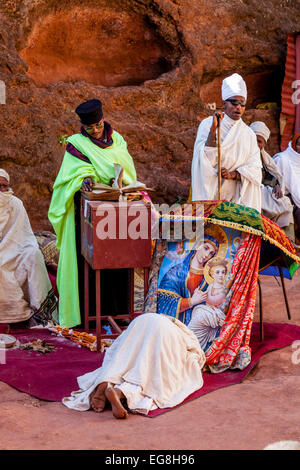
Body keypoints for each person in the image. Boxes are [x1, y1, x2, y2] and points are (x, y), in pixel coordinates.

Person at [48, 99, 137, 328]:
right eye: (90, 128)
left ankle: (119, 313)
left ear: (103, 119)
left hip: (117, 211)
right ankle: (90, 316)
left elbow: (127, 170)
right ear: (83, 127)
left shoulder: (118, 139)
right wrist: (84, 179)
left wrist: (118, 180)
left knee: (118, 259)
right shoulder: (76, 143)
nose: (96, 131)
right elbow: (68, 177)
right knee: (91, 262)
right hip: (87, 214)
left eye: (98, 125)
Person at [62, 312, 206, 418]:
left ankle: (106, 381)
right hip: (164, 332)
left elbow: (117, 346)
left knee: (123, 359)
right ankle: (121, 393)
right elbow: (194, 357)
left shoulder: (166, 319)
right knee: (150, 374)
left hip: (142, 321)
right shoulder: (188, 338)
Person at [191, 73, 262, 211]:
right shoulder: (207, 124)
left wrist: (234, 174)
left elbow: (255, 168)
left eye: (242, 104)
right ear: (224, 103)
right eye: (234, 103)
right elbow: (202, 158)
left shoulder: (248, 134)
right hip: (212, 196)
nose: (238, 108)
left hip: (236, 199)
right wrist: (213, 131)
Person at [0, 169, 57, 325]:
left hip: (14, 253)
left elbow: (24, 236)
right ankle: (14, 315)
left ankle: (40, 314)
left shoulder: (16, 204)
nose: (2, 190)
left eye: (4, 186)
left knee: (34, 254)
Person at [157, 225, 227, 325]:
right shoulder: (177, 271)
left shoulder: (210, 278)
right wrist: (191, 301)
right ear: (198, 246)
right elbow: (164, 301)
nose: (207, 255)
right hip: (178, 326)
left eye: (211, 253)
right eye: (205, 248)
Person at [249, 121, 294, 239]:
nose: (255, 144)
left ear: (263, 144)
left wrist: (277, 185)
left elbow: (275, 176)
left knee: (285, 204)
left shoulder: (265, 158)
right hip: (246, 190)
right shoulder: (241, 154)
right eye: (253, 139)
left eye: (259, 141)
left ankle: (288, 241)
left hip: (262, 190)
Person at [188, 257, 229, 351]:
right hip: (207, 312)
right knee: (197, 316)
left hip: (216, 315)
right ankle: (191, 343)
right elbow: (207, 297)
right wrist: (198, 294)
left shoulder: (224, 288)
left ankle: (192, 344)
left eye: (223, 272)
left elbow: (215, 300)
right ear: (212, 274)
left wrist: (202, 297)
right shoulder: (210, 285)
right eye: (217, 272)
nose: (221, 275)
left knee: (199, 316)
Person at [273, 133, 300, 241]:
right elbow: (271, 180)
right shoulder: (282, 159)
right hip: (284, 197)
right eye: (299, 145)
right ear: (293, 145)